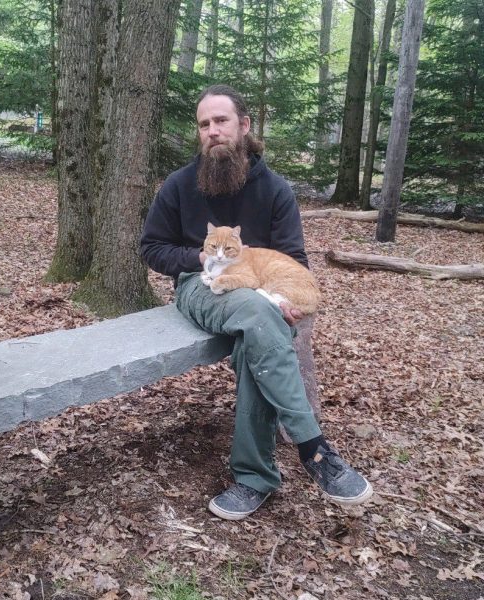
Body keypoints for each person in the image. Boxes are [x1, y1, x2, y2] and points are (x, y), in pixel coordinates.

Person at [140, 84, 373, 520]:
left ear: (244, 126)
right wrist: (200, 257)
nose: (212, 131)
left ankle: (253, 479)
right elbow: (152, 248)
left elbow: (295, 260)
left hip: (266, 291)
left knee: (256, 335)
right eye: (204, 124)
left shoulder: (276, 190)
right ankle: (313, 448)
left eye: (221, 121)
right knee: (256, 313)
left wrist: (284, 298)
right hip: (202, 287)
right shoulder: (177, 186)